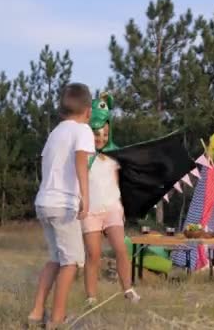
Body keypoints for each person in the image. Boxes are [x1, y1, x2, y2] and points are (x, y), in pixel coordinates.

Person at [27, 83, 95, 328]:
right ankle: (57, 319)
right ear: (87, 110)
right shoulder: (83, 130)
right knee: (72, 262)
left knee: (56, 259)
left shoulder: (55, 133)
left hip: (44, 202)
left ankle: (36, 313)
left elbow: (47, 164)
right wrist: (85, 197)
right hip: (63, 204)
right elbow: (80, 163)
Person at [81, 93, 140, 305]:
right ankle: (91, 297)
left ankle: (128, 290)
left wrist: (122, 206)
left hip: (113, 209)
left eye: (105, 135)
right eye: (97, 135)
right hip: (90, 212)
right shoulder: (83, 155)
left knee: (121, 249)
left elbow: (118, 182)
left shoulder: (115, 156)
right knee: (93, 254)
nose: (101, 139)